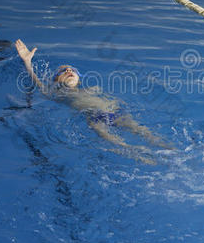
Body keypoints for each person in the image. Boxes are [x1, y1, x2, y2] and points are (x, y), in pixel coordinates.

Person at [15, 39, 172, 164]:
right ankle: (142, 157)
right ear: (56, 80)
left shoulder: (93, 88)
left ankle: (172, 152)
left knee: (145, 132)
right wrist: (28, 64)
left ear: (79, 78)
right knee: (118, 143)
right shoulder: (58, 93)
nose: (68, 71)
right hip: (95, 118)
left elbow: (112, 99)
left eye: (72, 70)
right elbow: (38, 83)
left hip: (116, 113)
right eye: (63, 71)